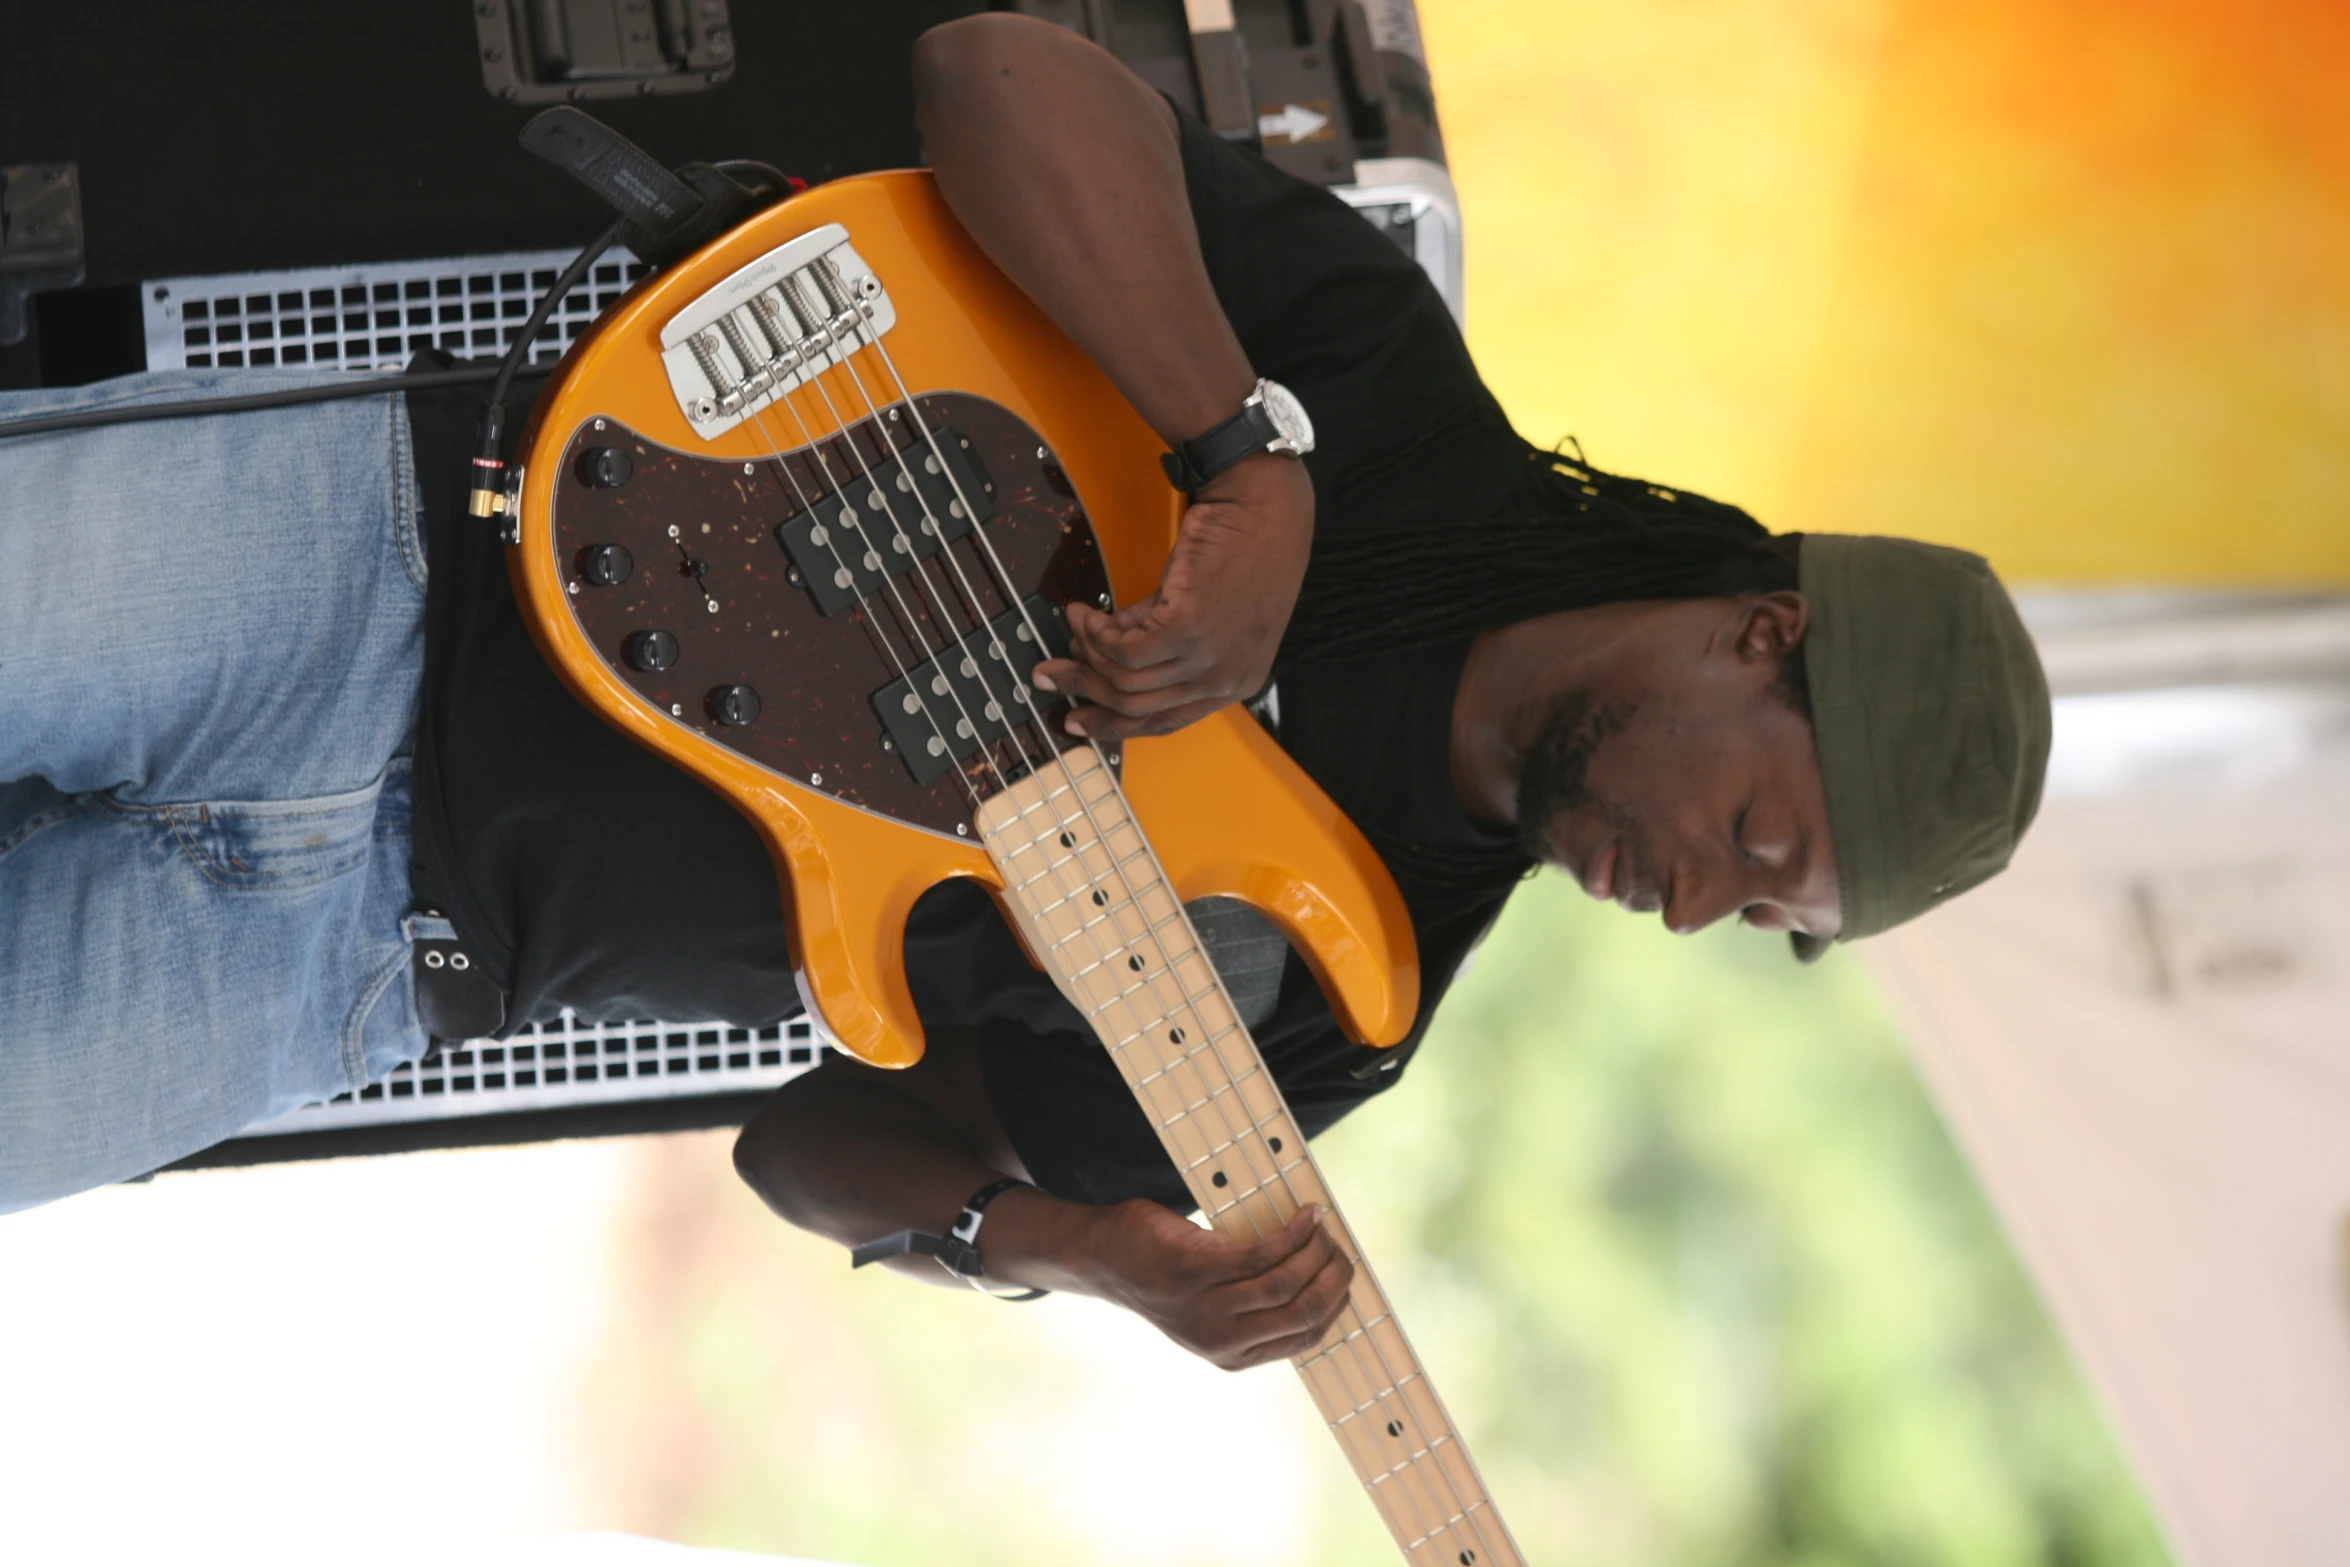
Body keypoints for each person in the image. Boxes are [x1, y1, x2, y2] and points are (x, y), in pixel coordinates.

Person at [0, 14, 2050, 1374]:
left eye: (1756, 923)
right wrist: (1245, 456)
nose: (1692, 904)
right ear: (1763, 632)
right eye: (1757, 842)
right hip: (359, 566)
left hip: (368, 960)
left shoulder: (1341, 991)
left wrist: (1063, 1247)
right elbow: (990, 69)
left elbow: (807, 1148)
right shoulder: (1387, 402)